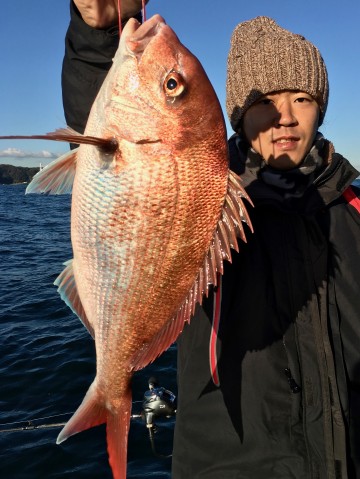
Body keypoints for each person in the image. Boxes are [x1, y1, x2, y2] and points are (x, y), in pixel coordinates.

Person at [62, 3, 360, 478]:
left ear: (321, 107)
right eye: (265, 103)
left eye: (302, 98)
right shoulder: (214, 203)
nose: (284, 117)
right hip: (229, 464)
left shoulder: (354, 211)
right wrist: (98, 32)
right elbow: (96, 105)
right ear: (239, 117)